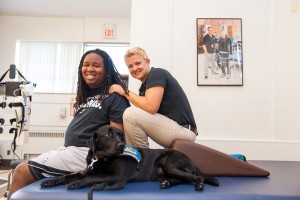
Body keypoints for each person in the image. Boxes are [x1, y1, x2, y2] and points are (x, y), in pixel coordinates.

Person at [7, 49, 130, 199]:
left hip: (85, 153)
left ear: (106, 70)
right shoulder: (85, 96)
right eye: (86, 65)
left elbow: (115, 140)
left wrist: (91, 166)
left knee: (22, 170)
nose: (90, 69)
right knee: (25, 170)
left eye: (96, 65)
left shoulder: (114, 97)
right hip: (69, 150)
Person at [109, 47, 197, 149]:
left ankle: (140, 159)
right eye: (130, 66)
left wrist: (125, 91)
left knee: (130, 114)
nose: (134, 68)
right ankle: (139, 158)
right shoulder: (143, 88)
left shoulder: (157, 73)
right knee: (131, 115)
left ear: (147, 62)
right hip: (174, 129)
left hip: (184, 130)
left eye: (138, 63)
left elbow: (151, 107)